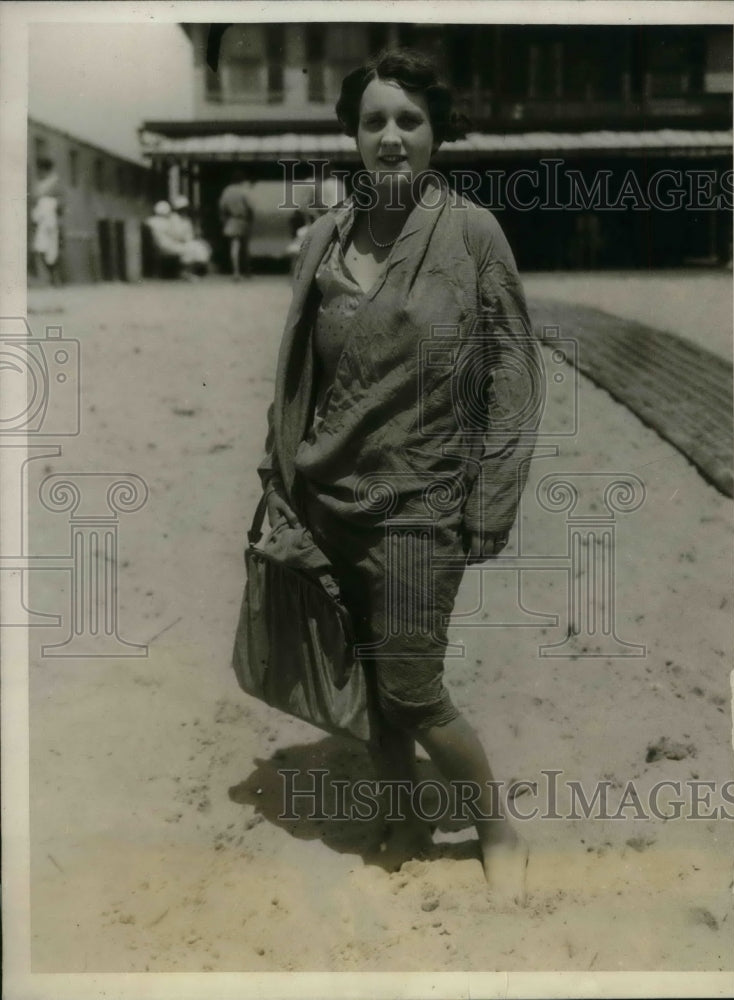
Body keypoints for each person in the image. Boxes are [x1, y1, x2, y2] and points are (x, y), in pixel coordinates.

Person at [256, 49, 542, 903]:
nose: (390, 136)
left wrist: (492, 496)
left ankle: (496, 827)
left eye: (408, 120)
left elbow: (515, 372)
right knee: (376, 684)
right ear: (352, 132)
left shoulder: (471, 233)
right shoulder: (325, 235)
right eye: (374, 120)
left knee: (413, 687)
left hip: (422, 501)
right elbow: (294, 374)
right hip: (328, 496)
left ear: (435, 133)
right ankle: (402, 813)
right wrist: (281, 479)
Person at [31, 158, 64, 285]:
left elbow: (61, 203)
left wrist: (56, 214)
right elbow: (35, 202)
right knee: (40, 248)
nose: (40, 172)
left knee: (52, 250)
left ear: (47, 170)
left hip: (52, 221)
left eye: (42, 170)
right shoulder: (39, 185)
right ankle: (51, 277)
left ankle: (55, 278)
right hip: (41, 221)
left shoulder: (55, 183)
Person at [218, 170, 253, 280]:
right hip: (243, 220)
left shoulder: (226, 191)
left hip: (231, 220)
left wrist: (224, 220)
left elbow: (222, 207)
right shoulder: (244, 191)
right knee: (245, 248)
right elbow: (250, 206)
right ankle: (246, 271)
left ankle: (235, 271)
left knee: (234, 247)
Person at [168, 195, 212, 276]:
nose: (185, 211)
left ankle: (193, 270)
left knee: (202, 247)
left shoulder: (186, 219)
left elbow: (190, 233)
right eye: (182, 209)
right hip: (177, 242)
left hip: (187, 241)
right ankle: (185, 271)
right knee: (191, 249)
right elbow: (175, 233)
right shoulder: (173, 219)